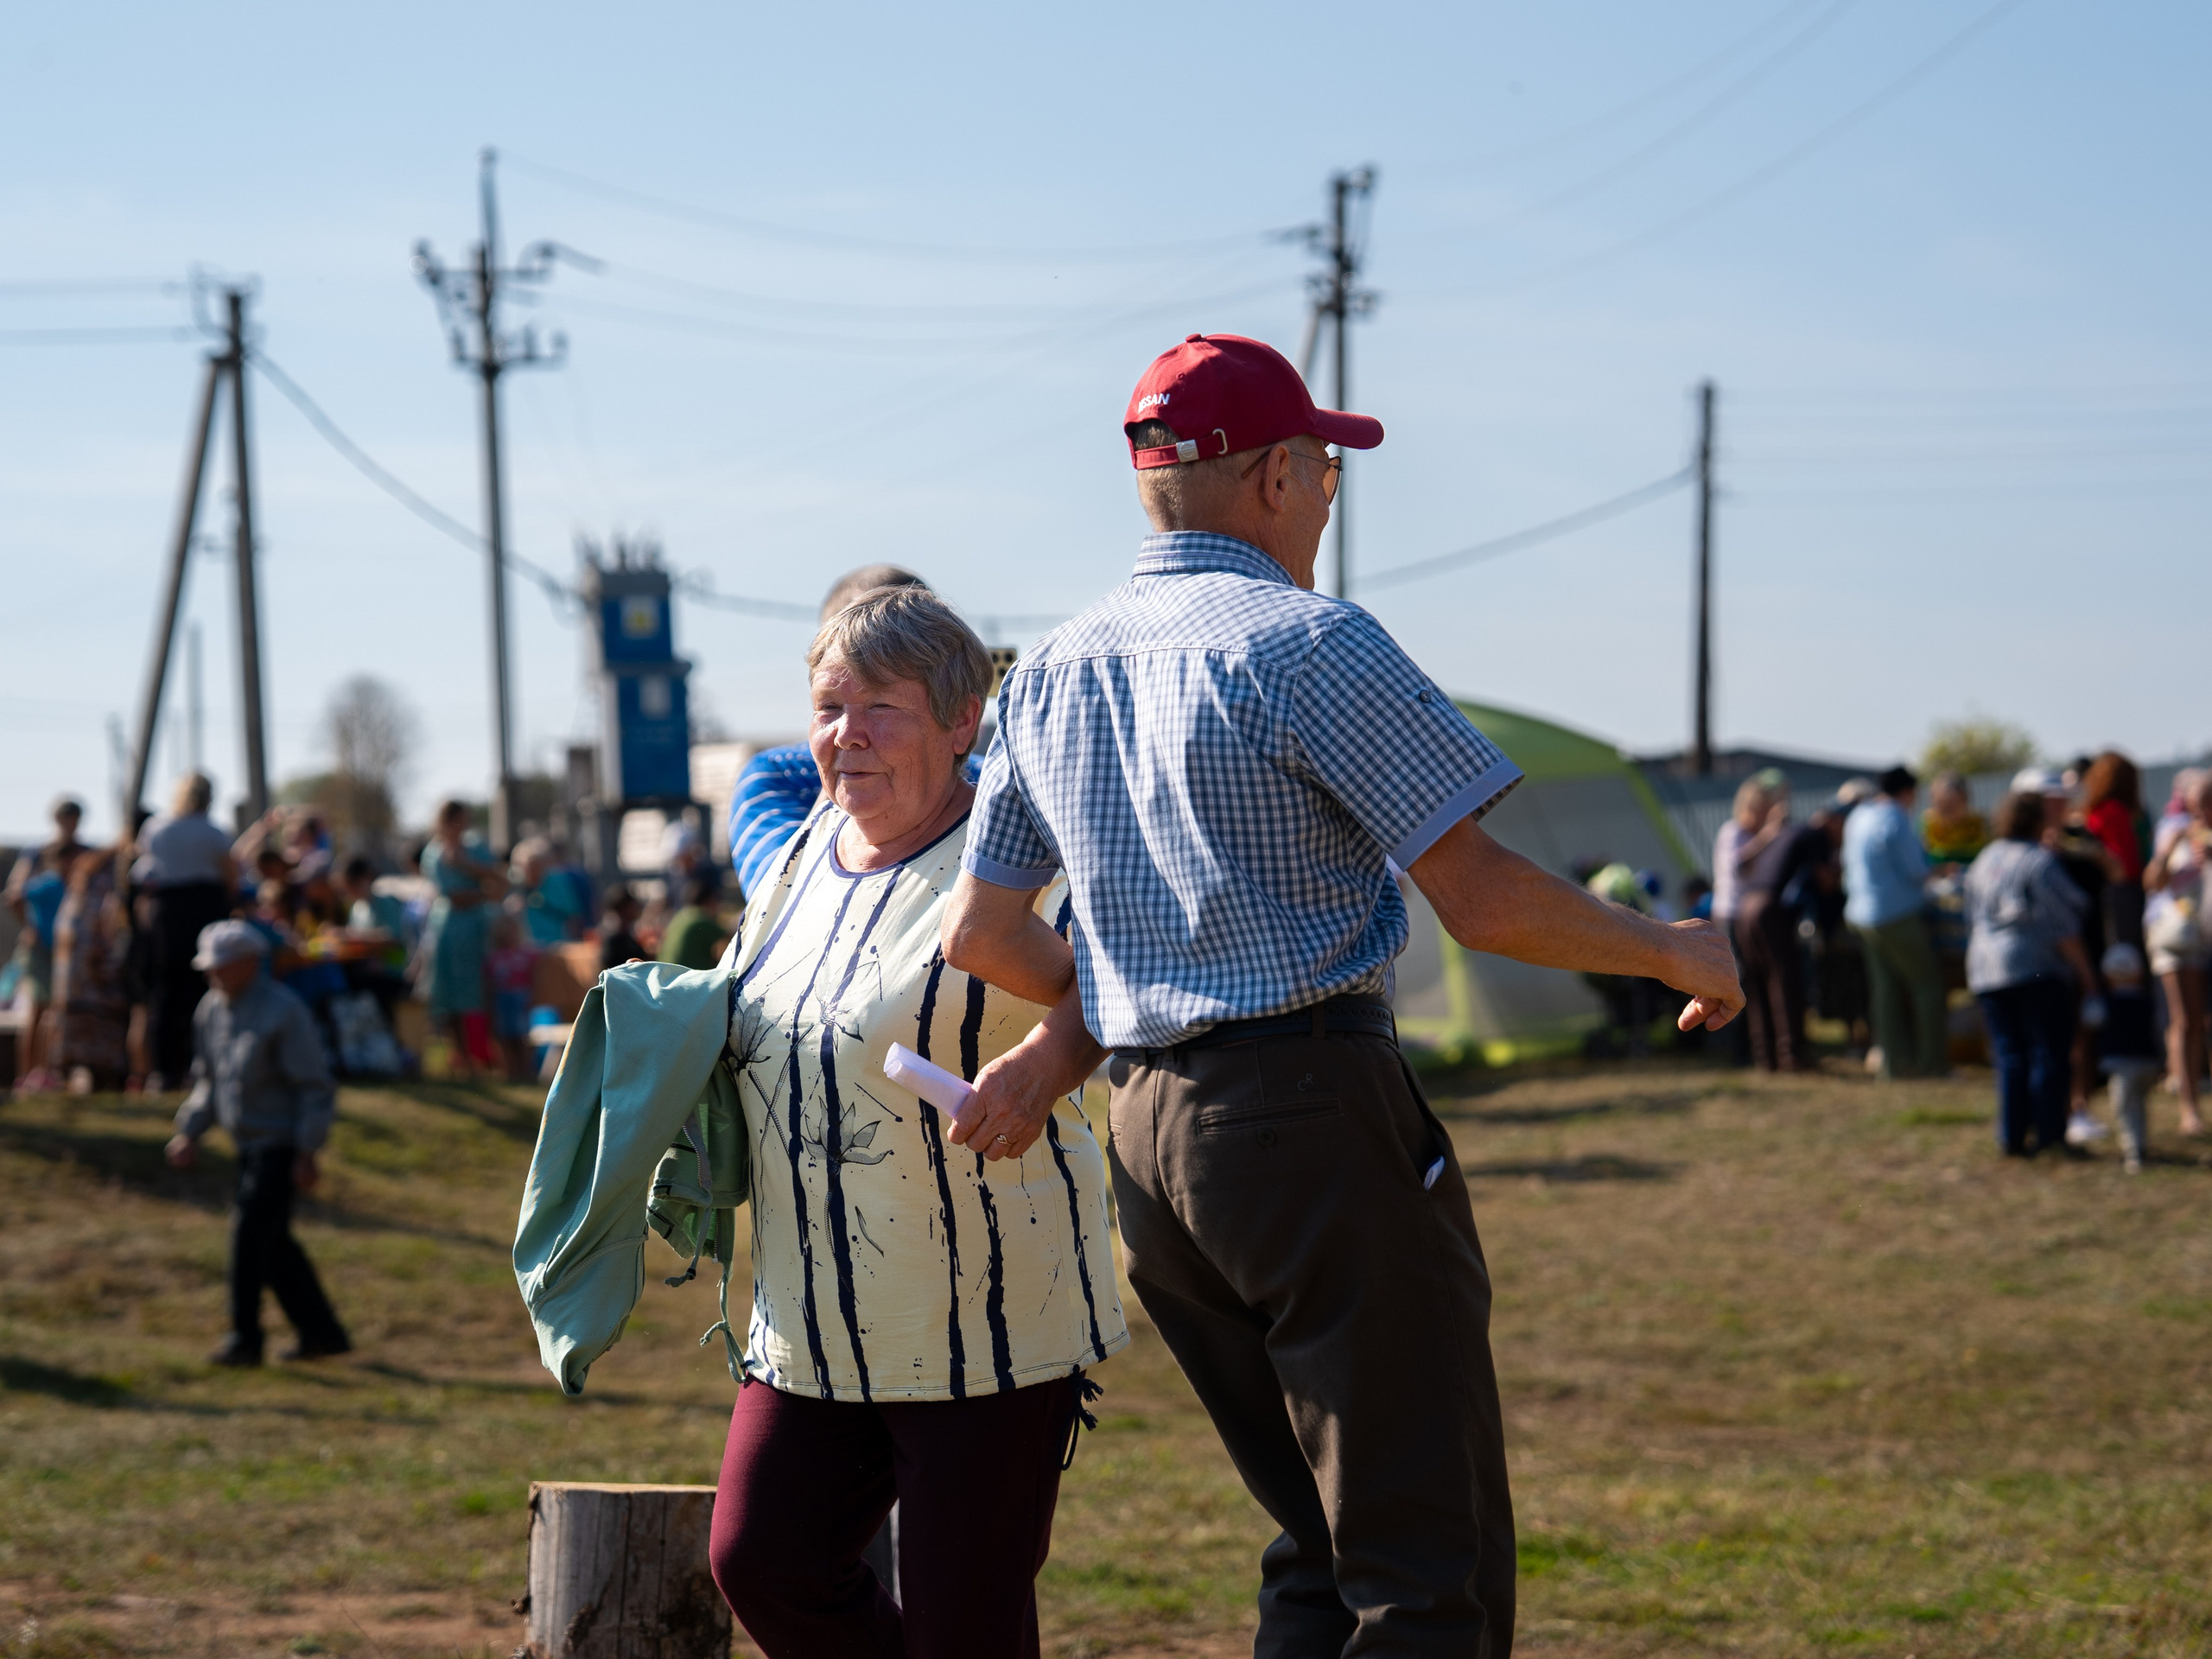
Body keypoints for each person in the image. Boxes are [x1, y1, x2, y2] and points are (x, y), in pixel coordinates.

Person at [940, 332, 1741, 1656]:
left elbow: (982, 927)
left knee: (1315, 1544)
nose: (1328, 493)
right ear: (1269, 479)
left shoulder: (1055, 668)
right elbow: (1479, 898)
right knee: (1425, 1562)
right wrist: (1673, 950)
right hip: (1306, 1111)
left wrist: (1142, 999)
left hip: (1145, 1140)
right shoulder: (1308, 642)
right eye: (1321, 467)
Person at [706, 586, 1127, 1659]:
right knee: (764, 1561)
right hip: (809, 1316)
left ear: (960, 723)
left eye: (879, 707)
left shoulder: (1025, 861)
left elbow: (1125, 987)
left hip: (982, 1318)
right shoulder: (798, 858)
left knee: (964, 1626)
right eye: (827, 706)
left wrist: (1042, 1064)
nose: (844, 735)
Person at [163, 920, 351, 1367]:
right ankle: (323, 1334)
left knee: (248, 1239)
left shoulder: (283, 1011)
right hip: (245, 1145)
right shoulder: (210, 1010)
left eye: (222, 967)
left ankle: (244, 1339)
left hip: (279, 1144)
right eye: (209, 967)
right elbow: (209, 1081)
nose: (213, 975)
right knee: (274, 1245)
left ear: (250, 963)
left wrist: (307, 1151)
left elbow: (314, 1087)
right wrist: (188, 1131)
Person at [726, 564, 934, 899]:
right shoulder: (780, 776)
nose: (849, 733)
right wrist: (846, 782)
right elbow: (780, 906)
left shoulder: (987, 780)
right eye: (834, 703)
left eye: (882, 702)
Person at [1964, 791, 2094, 1158]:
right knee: (2047, 1052)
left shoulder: (1984, 859)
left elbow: (1970, 915)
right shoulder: (2039, 862)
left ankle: (2012, 1136)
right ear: (2039, 820)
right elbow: (2065, 924)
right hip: (2035, 967)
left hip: (1985, 967)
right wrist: (2087, 974)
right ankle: (2050, 1134)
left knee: (2009, 1053)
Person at [1842, 766, 1947, 1080]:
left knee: (1885, 990)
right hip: (1895, 914)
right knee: (1927, 986)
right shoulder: (1896, 816)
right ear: (1907, 792)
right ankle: (1933, 1064)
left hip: (1861, 915)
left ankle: (1892, 1065)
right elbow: (1916, 871)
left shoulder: (1860, 814)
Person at [1735, 780, 1831, 1072]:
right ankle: (1792, 1057)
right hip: (1768, 909)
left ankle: (1766, 1058)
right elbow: (1825, 879)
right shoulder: (1806, 835)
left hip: (1747, 908)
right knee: (1784, 981)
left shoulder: (1773, 836)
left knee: (1758, 982)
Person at [2143, 770, 2212, 1138]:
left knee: (2201, 1022)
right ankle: (2189, 1108)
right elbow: (2152, 882)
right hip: (2178, 935)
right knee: (2186, 1021)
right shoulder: (2173, 830)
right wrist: (2171, 852)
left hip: (2205, 935)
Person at [5, 795, 88, 1092]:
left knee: (57, 1013)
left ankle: (50, 1072)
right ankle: (28, 1075)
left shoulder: (84, 852)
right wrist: (30, 927)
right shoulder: (39, 854)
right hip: (41, 946)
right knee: (38, 1012)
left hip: (68, 946)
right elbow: (15, 893)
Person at [416, 800, 502, 1077]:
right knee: (448, 994)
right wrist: (483, 893)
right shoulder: (434, 853)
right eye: (460, 820)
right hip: (448, 929)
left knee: (478, 992)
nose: (465, 825)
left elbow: (498, 877)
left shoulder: (474, 846)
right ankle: (461, 1057)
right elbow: (454, 896)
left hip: (475, 929)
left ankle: (483, 1058)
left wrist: (466, 866)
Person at [48, 840, 132, 1091]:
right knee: (95, 1037)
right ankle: (98, 1078)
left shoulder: (76, 893)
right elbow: (102, 936)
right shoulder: (99, 890)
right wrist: (106, 967)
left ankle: (86, 1077)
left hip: (74, 984)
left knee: (80, 1041)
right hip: (89, 980)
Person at [2096, 943, 2161, 1173]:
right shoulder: (2149, 1001)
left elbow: (2089, 1018)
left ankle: (2134, 1151)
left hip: (2125, 1066)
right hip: (2147, 1063)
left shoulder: (2105, 1003)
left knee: (2124, 1107)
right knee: (2137, 1105)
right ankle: (2139, 1146)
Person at [2082, 750, 2149, 950]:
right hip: (2127, 891)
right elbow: (2128, 860)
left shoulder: (2104, 810)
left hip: (2112, 892)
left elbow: (2121, 861)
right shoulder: (2120, 811)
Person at [485, 912, 537, 1083]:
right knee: (504, 1038)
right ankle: (510, 1072)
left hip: (520, 1000)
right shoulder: (493, 958)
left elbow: (534, 979)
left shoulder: (526, 955)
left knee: (522, 1037)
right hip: (502, 1001)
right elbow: (489, 984)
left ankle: (526, 1072)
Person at [510, 836, 589, 945]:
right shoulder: (517, 887)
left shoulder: (557, 882)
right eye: (529, 866)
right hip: (528, 947)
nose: (533, 870)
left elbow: (573, 916)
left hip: (557, 944)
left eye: (537, 865)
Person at [657, 869, 729, 970]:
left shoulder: (679, 916)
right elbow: (731, 944)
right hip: (686, 980)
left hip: (665, 976)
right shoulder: (701, 919)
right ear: (710, 900)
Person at [1921, 770, 1989, 872]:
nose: (1948, 811)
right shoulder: (1928, 824)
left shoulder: (1979, 823)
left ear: (1966, 800)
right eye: (1942, 805)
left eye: (1953, 805)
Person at [596, 882, 646, 970]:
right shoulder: (615, 939)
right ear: (624, 908)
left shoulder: (624, 934)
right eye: (633, 905)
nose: (637, 907)